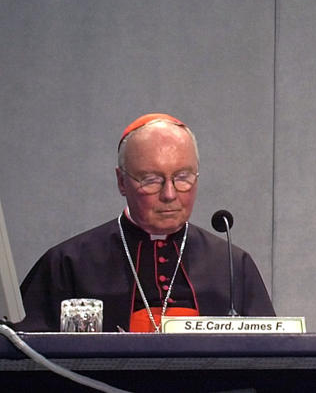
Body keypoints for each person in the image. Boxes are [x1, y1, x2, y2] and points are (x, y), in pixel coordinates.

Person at [18, 113, 274, 332]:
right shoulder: (69, 263)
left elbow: (270, 358)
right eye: (151, 180)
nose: (170, 194)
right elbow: (23, 356)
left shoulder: (232, 264)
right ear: (121, 182)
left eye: (183, 177)